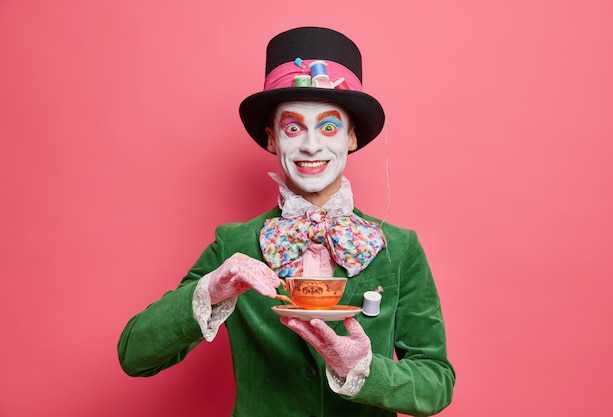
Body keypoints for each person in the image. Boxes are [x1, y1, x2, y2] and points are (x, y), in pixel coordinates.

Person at [118, 26, 455, 417]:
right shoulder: (235, 245)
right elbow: (135, 355)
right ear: (272, 140)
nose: (311, 145)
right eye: (293, 128)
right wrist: (212, 289)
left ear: (351, 138)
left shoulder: (399, 248)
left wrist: (362, 370)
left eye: (328, 127)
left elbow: (436, 384)